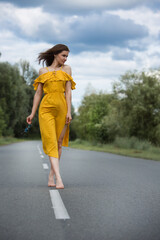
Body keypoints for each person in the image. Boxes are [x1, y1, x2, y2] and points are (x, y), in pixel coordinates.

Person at [26, 44, 76, 189]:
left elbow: (68, 92)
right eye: (63, 55)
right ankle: (59, 178)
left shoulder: (67, 69)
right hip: (46, 108)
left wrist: (69, 112)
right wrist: (32, 113)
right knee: (51, 142)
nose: (65, 59)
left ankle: (51, 176)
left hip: (62, 108)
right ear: (55, 54)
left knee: (59, 143)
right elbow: (38, 93)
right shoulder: (43, 71)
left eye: (67, 56)